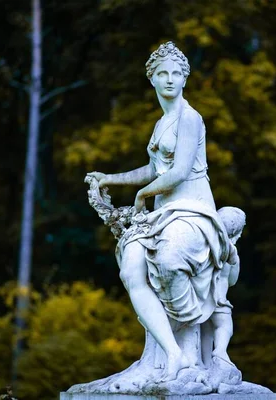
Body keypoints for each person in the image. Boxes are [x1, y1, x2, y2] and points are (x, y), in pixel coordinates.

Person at [87, 41, 230, 382]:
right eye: (162, 74)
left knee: (167, 263)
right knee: (131, 268)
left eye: (176, 74)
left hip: (194, 212)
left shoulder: (190, 117)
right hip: (163, 215)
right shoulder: (161, 122)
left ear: (185, 79)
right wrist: (112, 178)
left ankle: (191, 352)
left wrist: (140, 197)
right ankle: (174, 354)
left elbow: (178, 172)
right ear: (152, 79)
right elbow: (154, 170)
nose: (169, 80)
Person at [210, 206, 246, 365]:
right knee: (224, 326)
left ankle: (204, 361)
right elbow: (232, 280)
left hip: (201, 298)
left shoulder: (208, 246)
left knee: (205, 334)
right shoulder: (231, 252)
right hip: (219, 299)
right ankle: (220, 351)